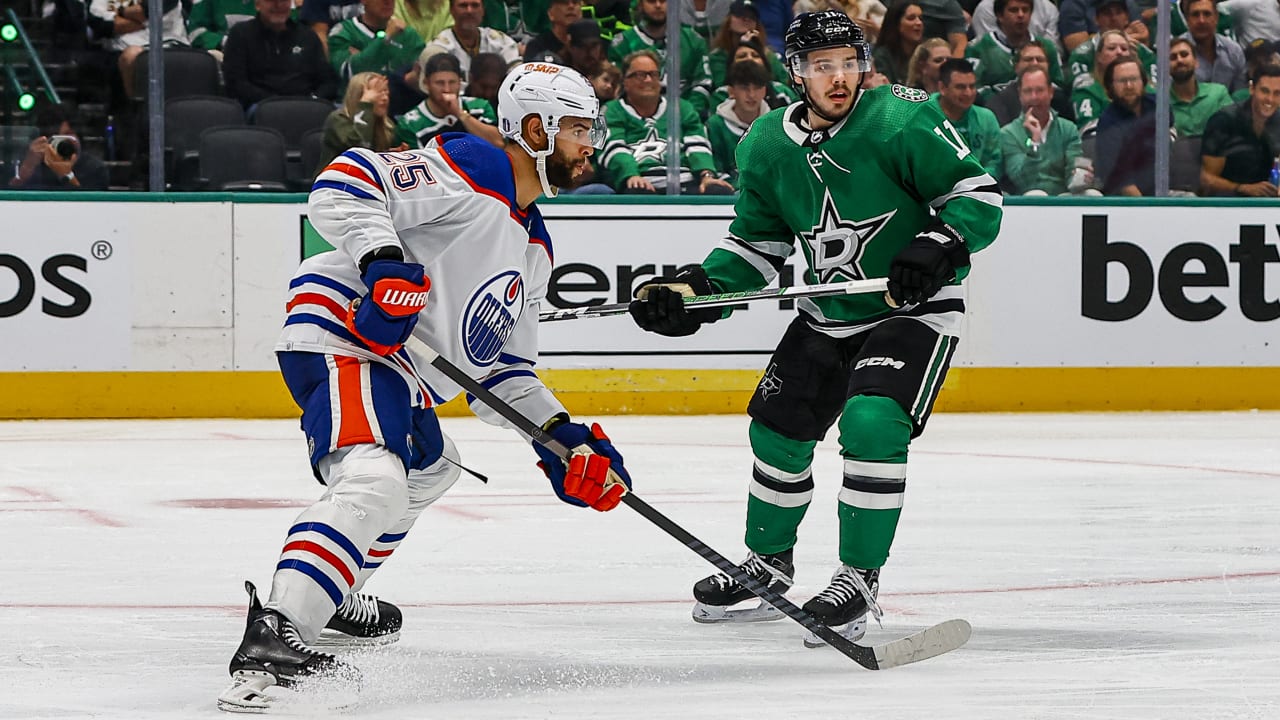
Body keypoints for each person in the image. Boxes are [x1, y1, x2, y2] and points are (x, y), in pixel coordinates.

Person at [217, 61, 630, 713]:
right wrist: (384, 263)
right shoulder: (475, 166)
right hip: (347, 335)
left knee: (431, 469)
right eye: (579, 129)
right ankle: (279, 628)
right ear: (533, 128)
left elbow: (504, 373)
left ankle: (333, 595)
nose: (591, 145)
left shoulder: (536, 245)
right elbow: (347, 180)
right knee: (376, 478)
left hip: (401, 367)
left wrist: (562, 439)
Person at [628, 11, 1001, 645]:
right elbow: (755, 248)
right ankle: (768, 564)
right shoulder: (765, 144)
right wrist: (693, 293)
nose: (838, 77)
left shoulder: (904, 118)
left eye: (848, 62)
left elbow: (979, 196)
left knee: (872, 423)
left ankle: (858, 578)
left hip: (912, 311)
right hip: (829, 312)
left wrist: (939, 240)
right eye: (822, 65)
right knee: (776, 433)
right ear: (796, 73)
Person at [600, 50, 732, 193]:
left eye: (653, 74)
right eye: (640, 75)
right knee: (637, 194)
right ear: (625, 82)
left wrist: (706, 175)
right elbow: (613, 147)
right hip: (641, 182)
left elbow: (697, 143)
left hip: (685, 180)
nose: (648, 80)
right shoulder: (612, 110)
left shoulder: (682, 107)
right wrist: (630, 175)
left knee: (717, 191)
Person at [223, 0, 340, 111]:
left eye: (284, 1)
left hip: (306, 104)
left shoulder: (307, 36)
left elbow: (328, 81)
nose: (278, 5)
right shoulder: (240, 34)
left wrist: (314, 99)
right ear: (258, 4)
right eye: (272, 1)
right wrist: (276, 103)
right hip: (260, 106)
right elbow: (236, 83)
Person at [608, 0, 715, 117]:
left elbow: (703, 82)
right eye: (651, 1)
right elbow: (620, 89)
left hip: (687, 116)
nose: (658, 5)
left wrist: (688, 113)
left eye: (663, 1)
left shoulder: (694, 40)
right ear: (640, 5)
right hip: (637, 120)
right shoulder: (623, 43)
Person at [1000, 66, 1095, 195]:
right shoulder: (1008, 134)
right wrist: (1035, 142)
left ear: (1051, 92)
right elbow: (1023, 181)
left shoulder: (1068, 129)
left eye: (1039, 90)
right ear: (1020, 95)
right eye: (1028, 91)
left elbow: (1072, 171)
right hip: (1026, 201)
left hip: (1062, 199)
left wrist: (1080, 178)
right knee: (1036, 194)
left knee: (1091, 194)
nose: (1034, 97)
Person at [1200, 63, 1280, 197]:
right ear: (1252, 89)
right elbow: (1206, 179)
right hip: (1227, 202)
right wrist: (1242, 188)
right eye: (1265, 91)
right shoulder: (1223, 120)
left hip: (1269, 204)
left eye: (1277, 93)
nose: (1270, 99)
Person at [395, 51, 503, 146]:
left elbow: (499, 143)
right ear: (426, 83)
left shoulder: (480, 107)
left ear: (460, 82)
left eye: (452, 82)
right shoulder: (410, 124)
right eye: (439, 83)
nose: (447, 89)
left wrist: (460, 114)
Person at [1094, 56, 1167, 195]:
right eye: (1122, 81)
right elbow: (1123, 182)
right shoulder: (1108, 123)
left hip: (1162, 190)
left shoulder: (1157, 106)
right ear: (1111, 86)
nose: (1129, 86)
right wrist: (1151, 210)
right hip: (1127, 200)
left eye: (1133, 79)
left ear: (1143, 81)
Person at [965, 0, 1065, 97]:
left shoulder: (1047, 47)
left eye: (1025, 10)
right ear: (1000, 16)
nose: (1021, 15)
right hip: (994, 109)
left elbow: (1058, 86)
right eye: (1014, 10)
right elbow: (974, 89)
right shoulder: (978, 48)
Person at [317, 71, 408, 170]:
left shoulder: (387, 124)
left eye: (386, 92)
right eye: (377, 93)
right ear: (359, 97)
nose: (385, 98)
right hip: (337, 180)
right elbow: (358, 148)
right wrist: (365, 105)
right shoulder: (338, 119)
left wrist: (391, 155)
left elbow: (372, 158)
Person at [8, 103, 110, 191]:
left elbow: (93, 206)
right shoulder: (31, 163)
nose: (64, 142)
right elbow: (8, 201)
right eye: (59, 136)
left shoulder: (94, 168)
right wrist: (26, 169)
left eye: (69, 134)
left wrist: (67, 175)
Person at [930, 59, 1002, 179]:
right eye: (960, 87)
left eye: (972, 86)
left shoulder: (987, 118)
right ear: (942, 88)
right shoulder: (922, 115)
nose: (968, 93)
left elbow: (995, 162)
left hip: (977, 188)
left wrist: (976, 181)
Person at [980, 35, 1074, 125]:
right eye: (1028, 59)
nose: (1035, 63)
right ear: (1016, 66)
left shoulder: (1061, 100)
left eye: (1040, 59)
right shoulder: (1001, 101)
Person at [706, 59, 772, 184]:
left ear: (764, 90)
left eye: (757, 88)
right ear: (731, 91)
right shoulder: (715, 126)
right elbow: (715, 170)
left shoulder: (776, 125)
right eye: (744, 88)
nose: (751, 95)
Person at [423, 0, 521, 81]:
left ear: (483, 10)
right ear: (451, 10)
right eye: (463, 6)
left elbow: (517, 75)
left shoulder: (501, 41)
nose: (469, 11)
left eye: (475, 5)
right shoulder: (439, 46)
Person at [329, 0, 428, 81]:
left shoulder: (407, 34)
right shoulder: (344, 32)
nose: (388, 2)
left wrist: (363, 56)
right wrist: (385, 38)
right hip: (356, 101)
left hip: (401, 101)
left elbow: (424, 71)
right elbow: (349, 73)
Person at [1169, 36, 1233, 138]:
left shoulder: (1218, 93)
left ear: (1196, 62)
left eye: (1184, 54)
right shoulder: (1160, 103)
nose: (1179, 60)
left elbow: (1233, 131)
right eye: (1173, 57)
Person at [1180, 0, 1248, 94]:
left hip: (1230, 107)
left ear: (1216, 18)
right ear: (1187, 20)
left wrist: (1227, 108)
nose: (1201, 20)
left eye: (1207, 14)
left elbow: (1240, 93)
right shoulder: (1175, 53)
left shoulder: (1233, 51)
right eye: (1195, 15)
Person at [872, 1, 923, 84]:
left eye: (920, 18)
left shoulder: (924, 53)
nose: (919, 22)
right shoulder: (882, 57)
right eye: (911, 18)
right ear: (896, 24)